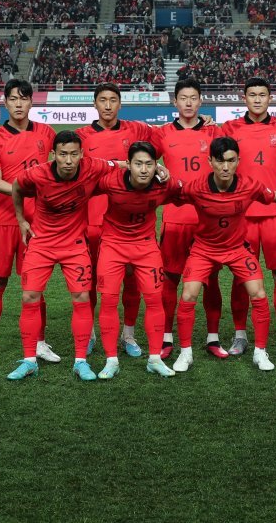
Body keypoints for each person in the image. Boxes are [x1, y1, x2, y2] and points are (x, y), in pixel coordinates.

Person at [7, 131, 123, 382]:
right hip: (42, 243)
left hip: (74, 243)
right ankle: (29, 361)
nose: (68, 160)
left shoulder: (94, 166)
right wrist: (20, 220)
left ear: (82, 154)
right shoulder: (38, 174)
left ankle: (80, 361)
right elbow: (16, 186)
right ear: (54, 155)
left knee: (81, 297)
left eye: (73, 154)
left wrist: (156, 167)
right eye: (62, 154)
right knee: (29, 296)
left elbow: (121, 164)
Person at [171, 136, 276, 373]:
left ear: (238, 161)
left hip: (237, 249)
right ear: (210, 161)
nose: (225, 167)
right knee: (188, 294)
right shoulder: (196, 187)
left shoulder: (250, 185)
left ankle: (260, 352)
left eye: (231, 161)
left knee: (259, 294)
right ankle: (185, 353)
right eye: (220, 161)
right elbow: (170, 194)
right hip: (204, 249)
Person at [0, 79, 58, 369]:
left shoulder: (47, 134)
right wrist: (27, 189)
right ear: (5, 103)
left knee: (35, 287)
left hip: (37, 223)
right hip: (5, 220)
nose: (19, 104)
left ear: (32, 102)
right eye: (13, 99)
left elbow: (62, 164)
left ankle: (39, 342)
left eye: (23, 99)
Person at [218, 77, 276, 355]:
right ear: (244, 98)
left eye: (262, 95)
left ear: (269, 98)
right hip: (242, 214)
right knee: (242, 277)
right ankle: (240, 334)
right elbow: (215, 156)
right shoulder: (230, 128)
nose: (257, 99)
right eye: (252, 94)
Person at [76, 83, 156, 357]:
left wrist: (204, 122)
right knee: (91, 281)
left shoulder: (138, 130)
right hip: (90, 218)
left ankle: (129, 334)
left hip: (130, 221)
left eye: (113, 100)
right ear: (94, 104)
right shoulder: (81, 136)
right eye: (102, 100)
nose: (108, 105)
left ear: (120, 104)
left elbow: (168, 138)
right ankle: (90, 334)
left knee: (132, 280)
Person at [92, 141, 182, 379]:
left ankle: (154, 358)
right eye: (138, 164)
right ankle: (111, 360)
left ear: (157, 166)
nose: (144, 170)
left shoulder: (165, 185)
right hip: (113, 245)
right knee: (109, 301)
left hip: (145, 246)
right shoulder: (110, 181)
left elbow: (189, 192)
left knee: (154, 300)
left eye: (149, 164)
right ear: (128, 165)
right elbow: (82, 185)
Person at [151, 78, 225, 359]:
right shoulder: (162, 134)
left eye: (194, 97)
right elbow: (142, 160)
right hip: (175, 217)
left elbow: (229, 161)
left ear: (201, 101)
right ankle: (167, 338)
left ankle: (213, 338)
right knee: (170, 278)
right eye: (184, 98)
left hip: (207, 218)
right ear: (175, 102)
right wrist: (157, 168)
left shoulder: (213, 131)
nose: (189, 103)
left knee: (211, 279)